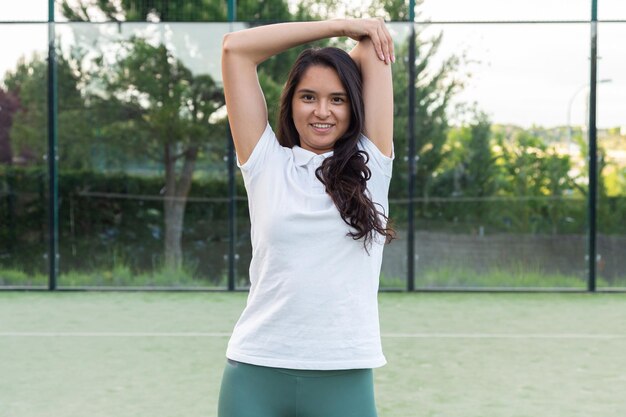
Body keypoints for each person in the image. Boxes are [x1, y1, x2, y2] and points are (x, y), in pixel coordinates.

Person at [218, 18, 395, 417]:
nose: (322, 112)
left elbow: (371, 49)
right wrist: (339, 26)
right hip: (255, 372)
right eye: (308, 96)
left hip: (343, 373)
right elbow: (235, 50)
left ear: (354, 105)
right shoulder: (264, 161)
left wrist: (336, 57)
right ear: (290, 102)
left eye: (338, 99)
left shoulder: (372, 164)